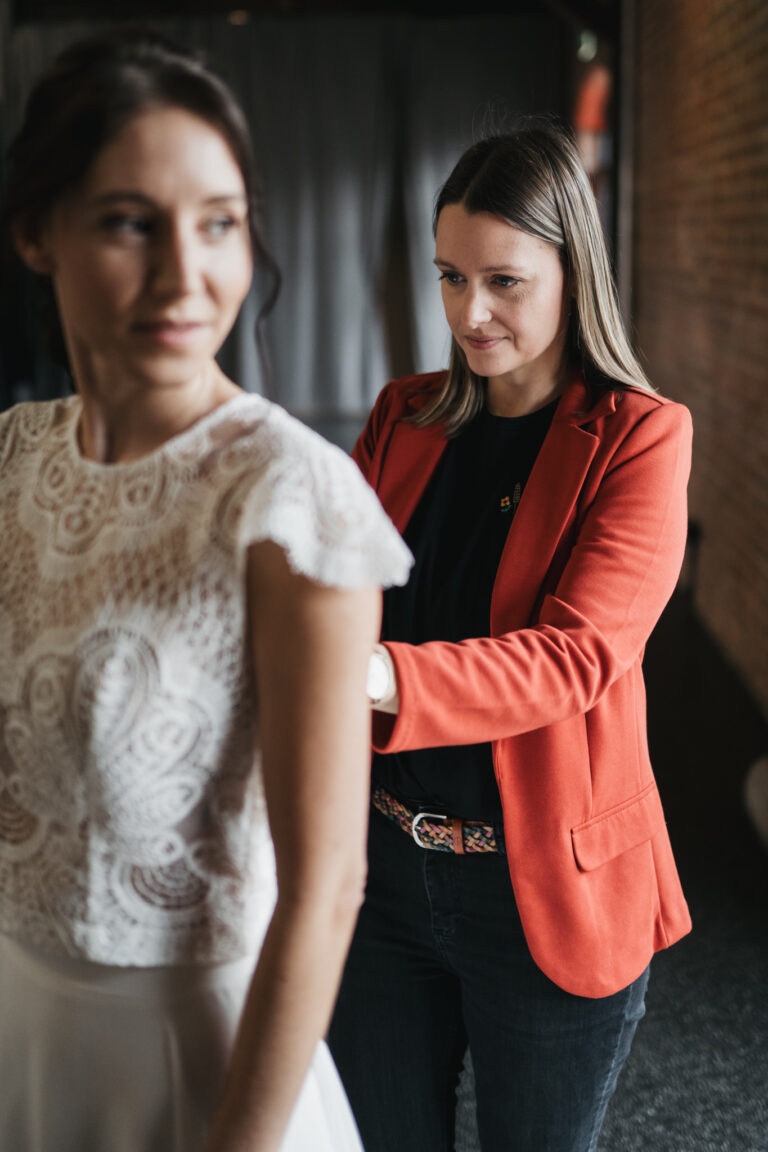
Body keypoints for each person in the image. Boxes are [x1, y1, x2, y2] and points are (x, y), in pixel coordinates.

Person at [0, 32, 411, 1152]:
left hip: (197, 1061)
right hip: (19, 1035)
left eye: (221, 223)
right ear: (37, 231)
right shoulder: (11, 462)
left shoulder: (288, 498)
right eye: (131, 221)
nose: (188, 277)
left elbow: (328, 888)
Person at [328, 121, 693, 1152]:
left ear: (575, 273)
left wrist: (368, 674)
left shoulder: (640, 436)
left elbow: (575, 658)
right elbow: (331, 589)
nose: (469, 313)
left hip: (547, 888)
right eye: (449, 277)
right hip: (387, 878)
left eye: (504, 281)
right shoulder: (405, 418)